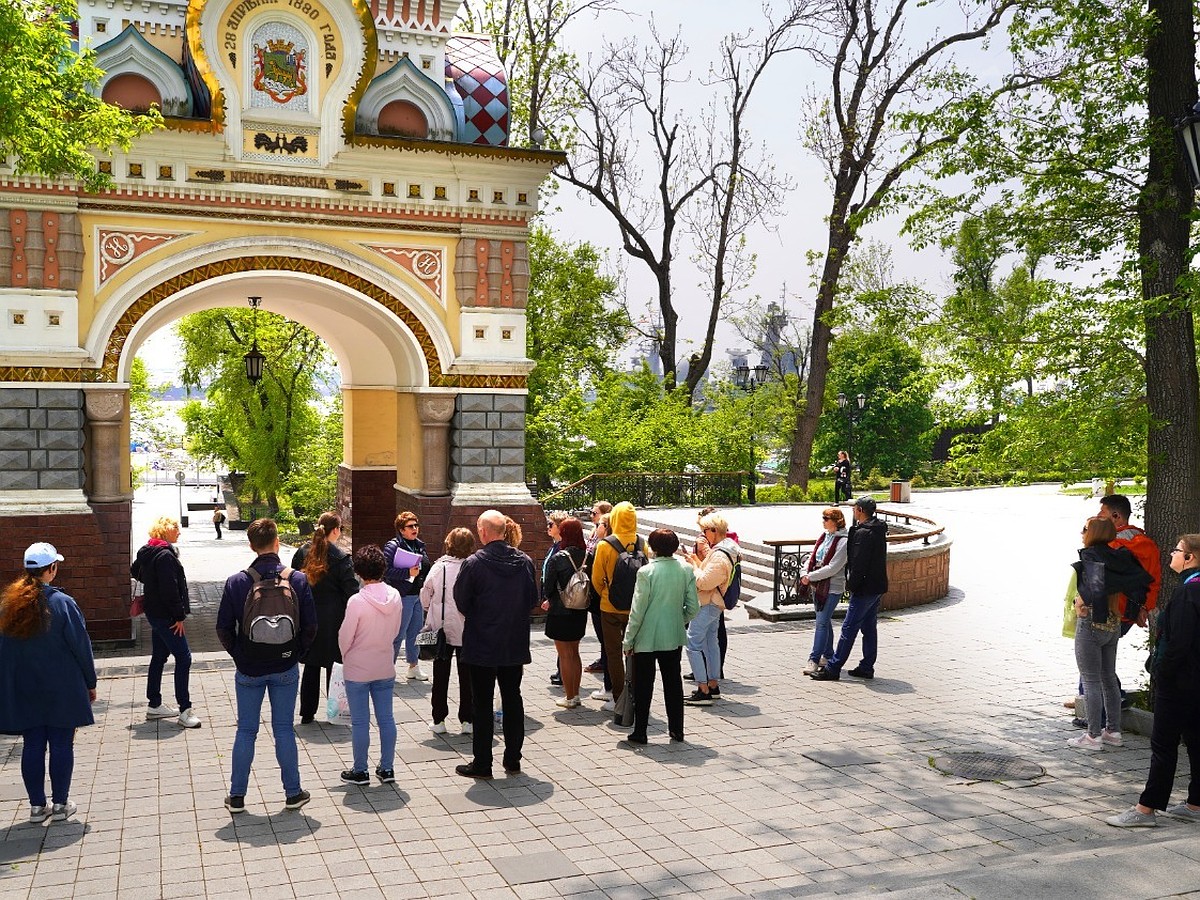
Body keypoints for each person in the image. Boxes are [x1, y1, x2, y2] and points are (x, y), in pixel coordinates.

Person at [215, 518, 317, 813]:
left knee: (246, 731)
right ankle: (293, 793)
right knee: (284, 729)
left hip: (249, 668)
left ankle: (237, 796)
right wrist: (296, 653)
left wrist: (240, 654)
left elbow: (223, 628)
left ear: (251, 545)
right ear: (277, 542)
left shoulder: (237, 581)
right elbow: (311, 626)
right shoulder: (297, 580)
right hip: (285, 666)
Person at [1107, 533, 1200, 827]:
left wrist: (1162, 672)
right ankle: (1195, 804)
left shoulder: (1188, 593)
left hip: (1180, 682)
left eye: (1177, 550)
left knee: (1163, 745)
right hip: (1195, 680)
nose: (1172, 554)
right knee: (1196, 742)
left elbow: (1179, 643)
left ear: (1190, 557)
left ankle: (1146, 809)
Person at [0, 543, 96, 823]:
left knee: (33, 744)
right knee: (61, 744)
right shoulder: (62, 603)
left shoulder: (9, 605)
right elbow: (81, 646)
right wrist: (90, 681)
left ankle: (36, 807)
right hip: (61, 686)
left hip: (25, 686)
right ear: (51, 569)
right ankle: (61, 804)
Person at [453, 509, 538, 779]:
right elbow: (531, 599)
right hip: (513, 642)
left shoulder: (475, 563)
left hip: (482, 644)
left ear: (484, 532)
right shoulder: (523, 561)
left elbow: (462, 601)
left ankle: (482, 763)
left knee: (482, 703)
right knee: (513, 699)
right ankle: (513, 758)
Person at [1067, 516, 1150, 751]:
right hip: (1112, 623)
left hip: (1091, 623)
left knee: (1091, 680)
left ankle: (1093, 736)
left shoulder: (1091, 555)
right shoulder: (1117, 555)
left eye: (1084, 529)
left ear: (1092, 533)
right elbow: (1136, 582)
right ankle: (1113, 731)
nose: (1081, 532)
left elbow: (1093, 588)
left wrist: (1079, 601)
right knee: (1108, 678)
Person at [622, 529, 699, 744]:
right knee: (673, 682)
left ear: (653, 547)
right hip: (673, 635)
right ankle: (677, 730)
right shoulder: (685, 569)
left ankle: (641, 731)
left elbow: (637, 610)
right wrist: (677, 618)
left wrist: (628, 640)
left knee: (643, 685)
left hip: (646, 636)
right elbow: (693, 607)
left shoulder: (646, 572)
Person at [338, 545, 403, 786]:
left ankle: (360, 770)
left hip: (358, 667)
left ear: (359, 571)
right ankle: (387, 768)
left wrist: (346, 656)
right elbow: (396, 632)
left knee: (360, 721)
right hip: (384, 663)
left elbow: (346, 637)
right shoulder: (395, 596)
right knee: (386, 718)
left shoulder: (357, 601)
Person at [131, 516, 201, 728]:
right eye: (176, 528)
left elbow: (135, 570)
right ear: (166, 531)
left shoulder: (149, 550)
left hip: (154, 612)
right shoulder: (165, 556)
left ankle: (154, 705)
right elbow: (170, 589)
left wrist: (151, 581)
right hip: (166, 616)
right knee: (184, 657)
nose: (179, 532)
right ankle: (185, 710)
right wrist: (179, 616)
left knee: (159, 656)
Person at [291, 512, 358, 725]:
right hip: (334, 620)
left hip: (308, 617)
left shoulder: (302, 552)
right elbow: (351, 592)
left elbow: (293, 583)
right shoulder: (341, 558)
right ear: (335, 530)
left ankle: (307, 713)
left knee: (311, 667)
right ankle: (335, 713)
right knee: (334, 667)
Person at [811, 496, 889, 681]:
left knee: (848, 628)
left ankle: (833, 668)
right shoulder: (877, 529)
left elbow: (859, 564)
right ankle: (867, 666)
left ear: (860, 511)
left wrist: (851, 586)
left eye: (855, 508)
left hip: (864, 589)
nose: (853, 511)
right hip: (877, 586)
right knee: (869, 628)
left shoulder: (863, 533)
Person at [420, 527, 476, 735]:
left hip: (442, 628)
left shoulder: (439, 567)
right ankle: (467, 720)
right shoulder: (473, 566)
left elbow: (426, 595)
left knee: (440, 674)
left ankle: (439, 719)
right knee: (467, 676)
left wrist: (431, 609)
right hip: (467, 628)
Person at [591, 501, 644, 712]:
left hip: (610, 607)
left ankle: (618, 698)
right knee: (636, 653)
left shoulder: (605, 545)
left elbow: (597, 579)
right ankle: (637, 695)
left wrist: (606, 593)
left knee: (613, 653)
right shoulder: (642, 542)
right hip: (636, 608)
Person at [684, 512, 738, 705]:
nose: (703, 534)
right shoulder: (727, 549)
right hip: (715, 602)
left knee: (693, 643)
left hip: (708, 602)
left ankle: (703, 689)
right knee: (710, 642)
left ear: (714, 531)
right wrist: (696, 562)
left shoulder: (719, 555)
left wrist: (692, 567)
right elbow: (711, 576)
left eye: (705, 530)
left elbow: (705, 582)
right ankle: (713, 685)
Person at [541, 517, 589, 708]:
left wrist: (550, 599)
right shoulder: (587, 555)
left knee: (564, 654)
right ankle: (576, 693)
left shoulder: (558, 557)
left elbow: (549, 585)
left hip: (560, 611)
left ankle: (570, 697)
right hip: (580, 609)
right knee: (575, 652)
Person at [800, 508, 849, 675]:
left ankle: (813, 659)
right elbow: (812, 557)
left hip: (832, 587)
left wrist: (810, 576)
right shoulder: (825, 537)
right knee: (824, 621)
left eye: (826, 518)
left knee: (821, 623)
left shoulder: (843, 541)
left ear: (836, 521)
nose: (823, 521)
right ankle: (828, 656)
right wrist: (805, 572)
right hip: (818, 585)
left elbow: (833, 567)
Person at [384, 511, 432, 682]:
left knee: (415, 633)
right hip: (402, 595)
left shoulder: (419, 545)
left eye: (416, 525)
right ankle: (388, 669)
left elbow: (425, 565)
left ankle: (413, 667)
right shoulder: (392, 546)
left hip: (417, 595)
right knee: (398, 634)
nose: (415, 529)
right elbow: (385, 570)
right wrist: (407, 572)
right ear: (401, 530)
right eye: (410, 526)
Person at [585, 513, 614, 699]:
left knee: (608, 647)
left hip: (604, 603)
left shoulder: (603, 546)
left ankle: (610, 689)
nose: (597, 526)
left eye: (600, 524)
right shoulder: (636, 542)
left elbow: (595, 578)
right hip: (626, 603)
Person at [544, 511, 568, 687]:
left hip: (559, 601)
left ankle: (564, 672)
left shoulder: (561, 548)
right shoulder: (555, 545)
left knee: (562, 639)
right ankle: (561, 670)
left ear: (559, 528)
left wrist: (549, 597)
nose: (548, 527)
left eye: (550, 524)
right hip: (554, 598)